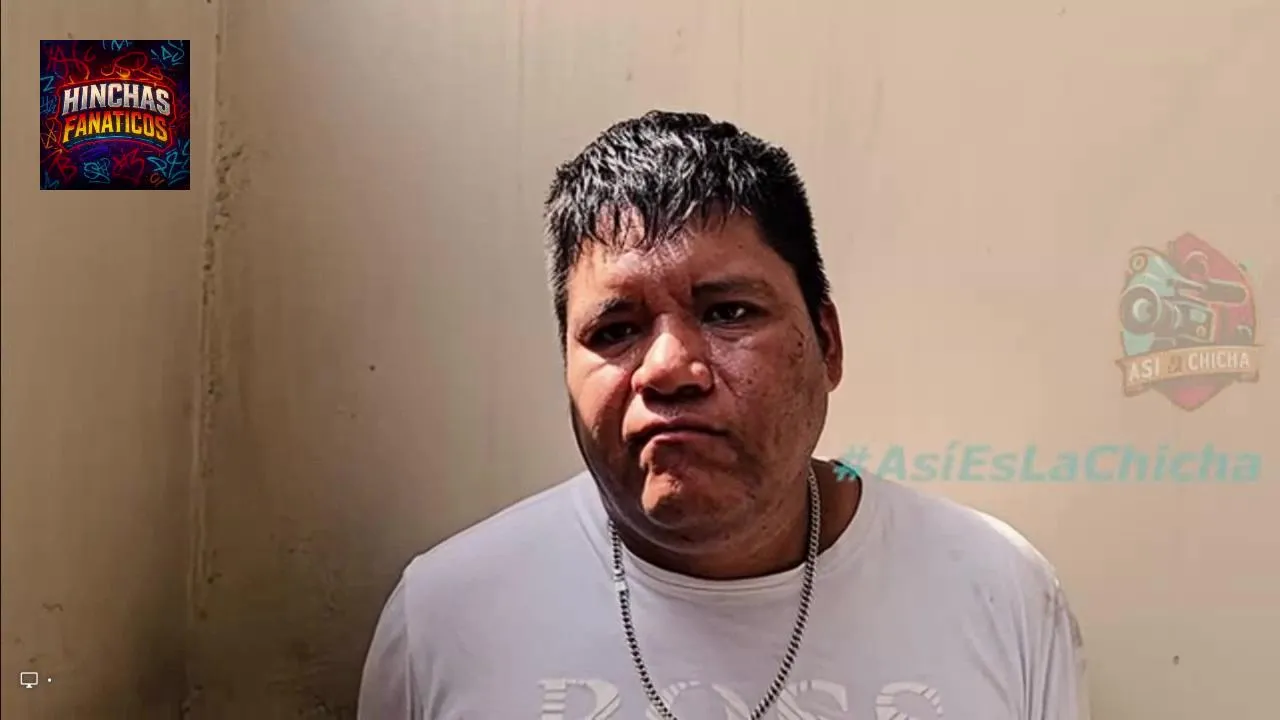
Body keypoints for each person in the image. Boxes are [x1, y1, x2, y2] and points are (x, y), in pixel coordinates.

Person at [357, 110, 1091, 719]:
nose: (668, 368)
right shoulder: (447, 619)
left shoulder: (995, 593)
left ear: (827, 344)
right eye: (615, 331)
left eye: (728, 312)